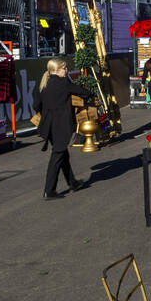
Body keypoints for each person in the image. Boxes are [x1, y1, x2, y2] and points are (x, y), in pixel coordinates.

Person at [34, 57, 93, 199]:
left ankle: (72, 182)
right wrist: (91, 95)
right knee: (57, 155)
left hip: (48, 125)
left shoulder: (43, 83)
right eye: (64, 68)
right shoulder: (64, 82)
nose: (66, 70)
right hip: (60, 125)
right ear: (56, 70)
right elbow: (83, 92)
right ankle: (49, 190)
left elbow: (36, 105)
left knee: (62, 153)